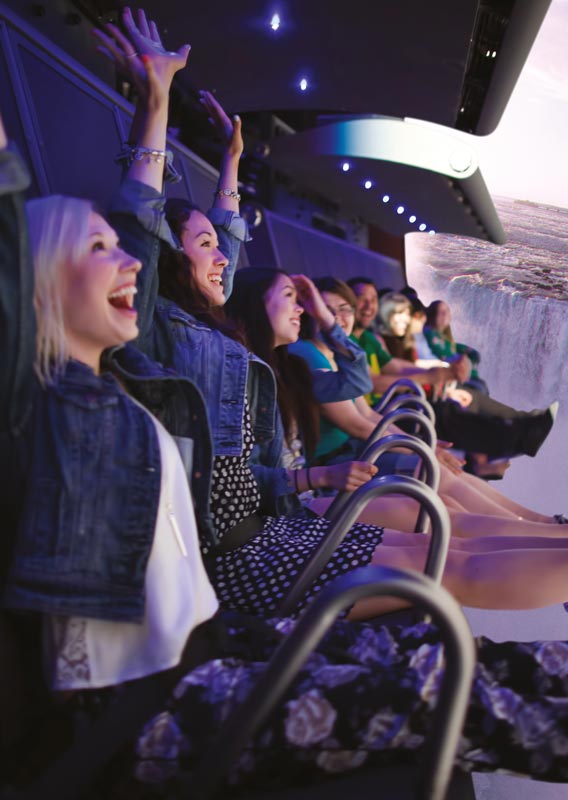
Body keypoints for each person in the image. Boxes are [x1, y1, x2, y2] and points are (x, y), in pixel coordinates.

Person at [6, 21, 568, 794]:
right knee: (446, 664)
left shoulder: (157, 375)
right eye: (98, 249)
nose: (129, 260)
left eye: (123, 249)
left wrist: (230, 159)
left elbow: (210, 251)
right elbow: (135, 222)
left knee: (470, 654)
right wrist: (156, 105)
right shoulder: (62, 394)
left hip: (218, 621)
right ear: (36, 284)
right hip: (152, 687)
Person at [347, 276, 557, 461]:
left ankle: (520, 430)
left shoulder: (367, 338)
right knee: (443, 411)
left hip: (388, 407)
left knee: (453, 403)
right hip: (381, 411)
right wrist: (433, 376)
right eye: (362, 299)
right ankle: (517, 438)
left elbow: (398, 367)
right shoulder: (349, 342)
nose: (368, 306)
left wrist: (441, 371)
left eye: (373, 300)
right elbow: (370, 383)